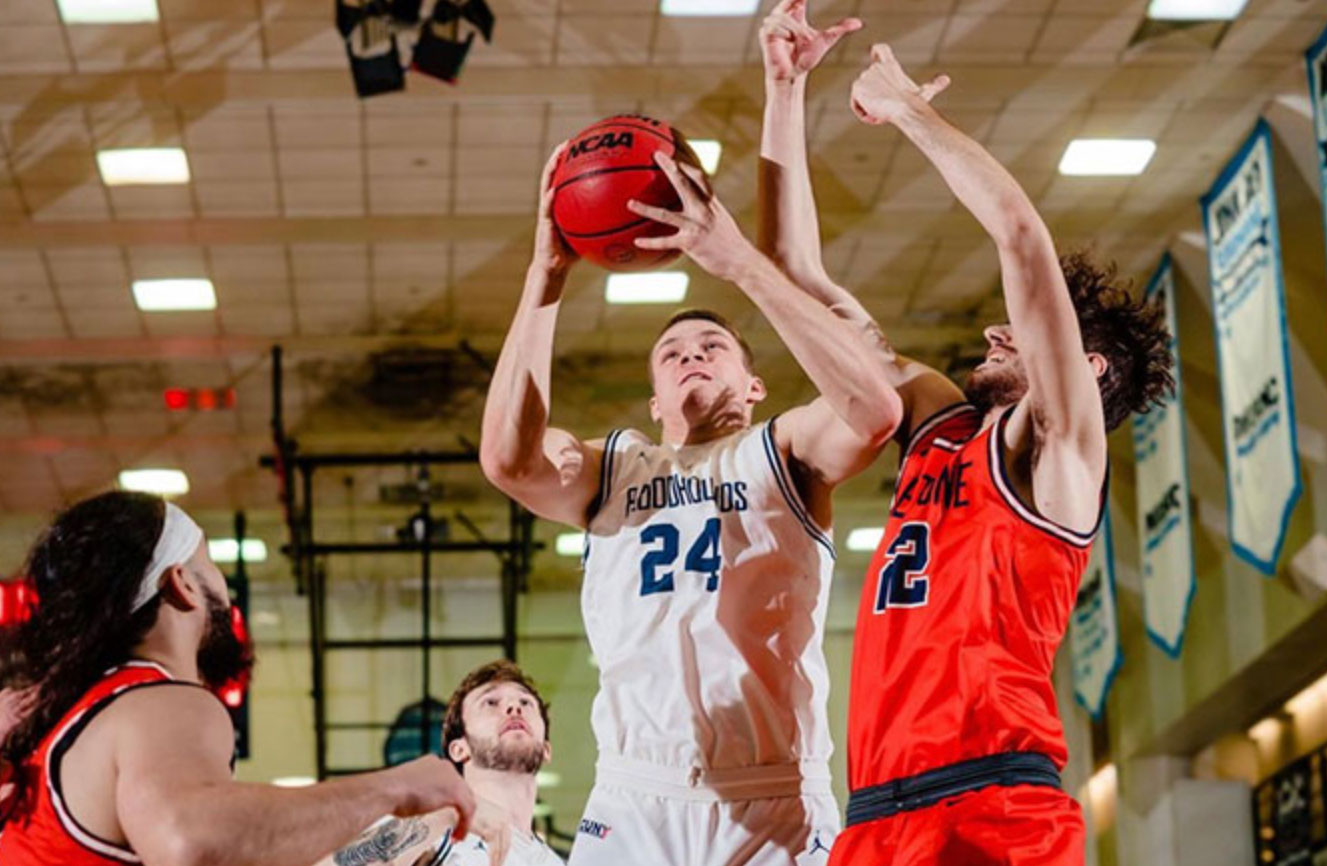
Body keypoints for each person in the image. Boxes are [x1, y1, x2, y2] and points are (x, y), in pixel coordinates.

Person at [756, 4, 1174, 864]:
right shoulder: (939, 424)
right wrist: (784, 90)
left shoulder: (1062, 456)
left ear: (1085, 368)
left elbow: (1021, 239)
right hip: (874, 815)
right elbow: (800, 280)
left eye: (1017, 332)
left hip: (995, 806)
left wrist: (912, 111)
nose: (994, 332)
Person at [479, 138, 902, 865]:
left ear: (755, 386)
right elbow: (507, 461)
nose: (691, 356)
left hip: (773, 798)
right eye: (672, 354)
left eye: (712, 346)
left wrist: (742, 265)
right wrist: (545, 277)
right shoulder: (613, 467)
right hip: (634, 795)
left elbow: (876, 412)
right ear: (654, 399)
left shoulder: (785, 447)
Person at [0, 490, 476, 866]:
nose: (223, 586)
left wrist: (391, 838)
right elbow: (191, 843)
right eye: (211, 565)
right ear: (181, 583)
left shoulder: (73, 724)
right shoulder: (157, 702)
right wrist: (393, 788)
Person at [321, 660, 561, 866]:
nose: (514, 707)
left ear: (546, 749)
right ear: (459, 749)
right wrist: (448, 817)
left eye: (526, 703)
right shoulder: (429, 830)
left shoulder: (555, 862)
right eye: (491, 702)